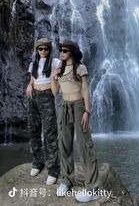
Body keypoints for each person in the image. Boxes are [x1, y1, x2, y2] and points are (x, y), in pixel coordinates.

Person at [50, 40, 100, 203]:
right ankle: (66, 180)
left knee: (85, 146)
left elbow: (85, 90)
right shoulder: (60, 69)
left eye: (64, 50)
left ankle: (93, 188)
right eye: (60, 50)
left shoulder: (81, 68)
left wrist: (87, 111)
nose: (61, 53)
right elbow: (55, 92)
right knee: (64, 145)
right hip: (63, 106)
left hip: (79, 107)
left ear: (71, 52)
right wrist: (53, 75)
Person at [26, 37, 60, 185]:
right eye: (41, 49)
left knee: (49, 133)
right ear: (37, 50)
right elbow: (32, 80)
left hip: (47, 97)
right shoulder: (33, 64)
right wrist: (29, 85)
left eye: (46, 48)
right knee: (33, 130)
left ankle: (53, 170)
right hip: (33, 97)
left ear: (49, 49)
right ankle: (37, 162)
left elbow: (57, 82)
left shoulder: (55, 62)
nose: (43, 51)